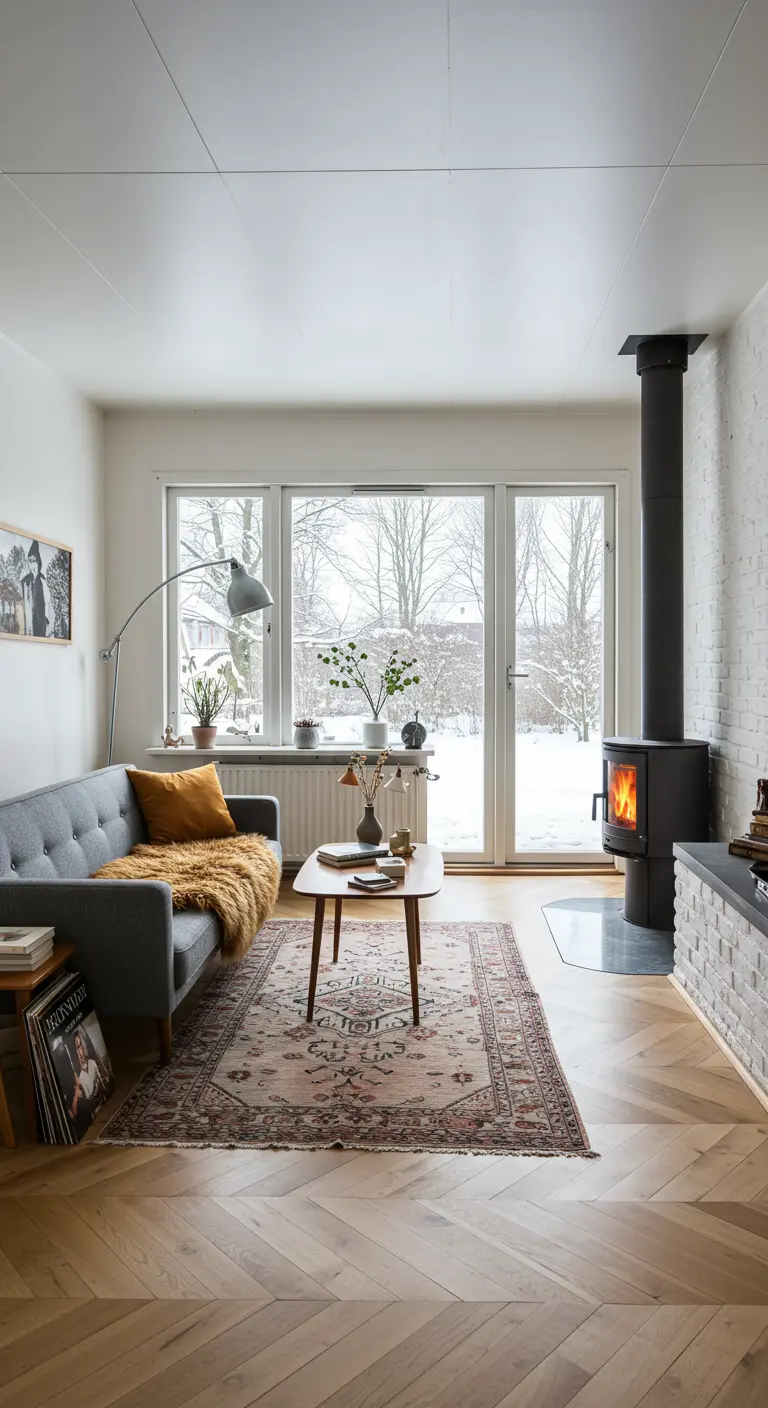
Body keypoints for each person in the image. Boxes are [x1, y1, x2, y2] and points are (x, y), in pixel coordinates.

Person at [68, 1028, 106, 1132]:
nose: (80, 1052)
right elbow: (74, 1112)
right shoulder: (77, 1077)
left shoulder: (92, 1063)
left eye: (80, 1046)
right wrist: (77, 1096)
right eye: (76, 1049)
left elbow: (102, 1083)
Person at [20, 540, 54, 637]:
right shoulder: (25, 581)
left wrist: (49, 623)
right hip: (29, 624)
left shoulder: (44, 581)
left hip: (42, 624)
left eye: (34, 560)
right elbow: (24, 604)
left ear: (38, 562)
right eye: (30, 561)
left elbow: (48, 604)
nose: (32, 564)